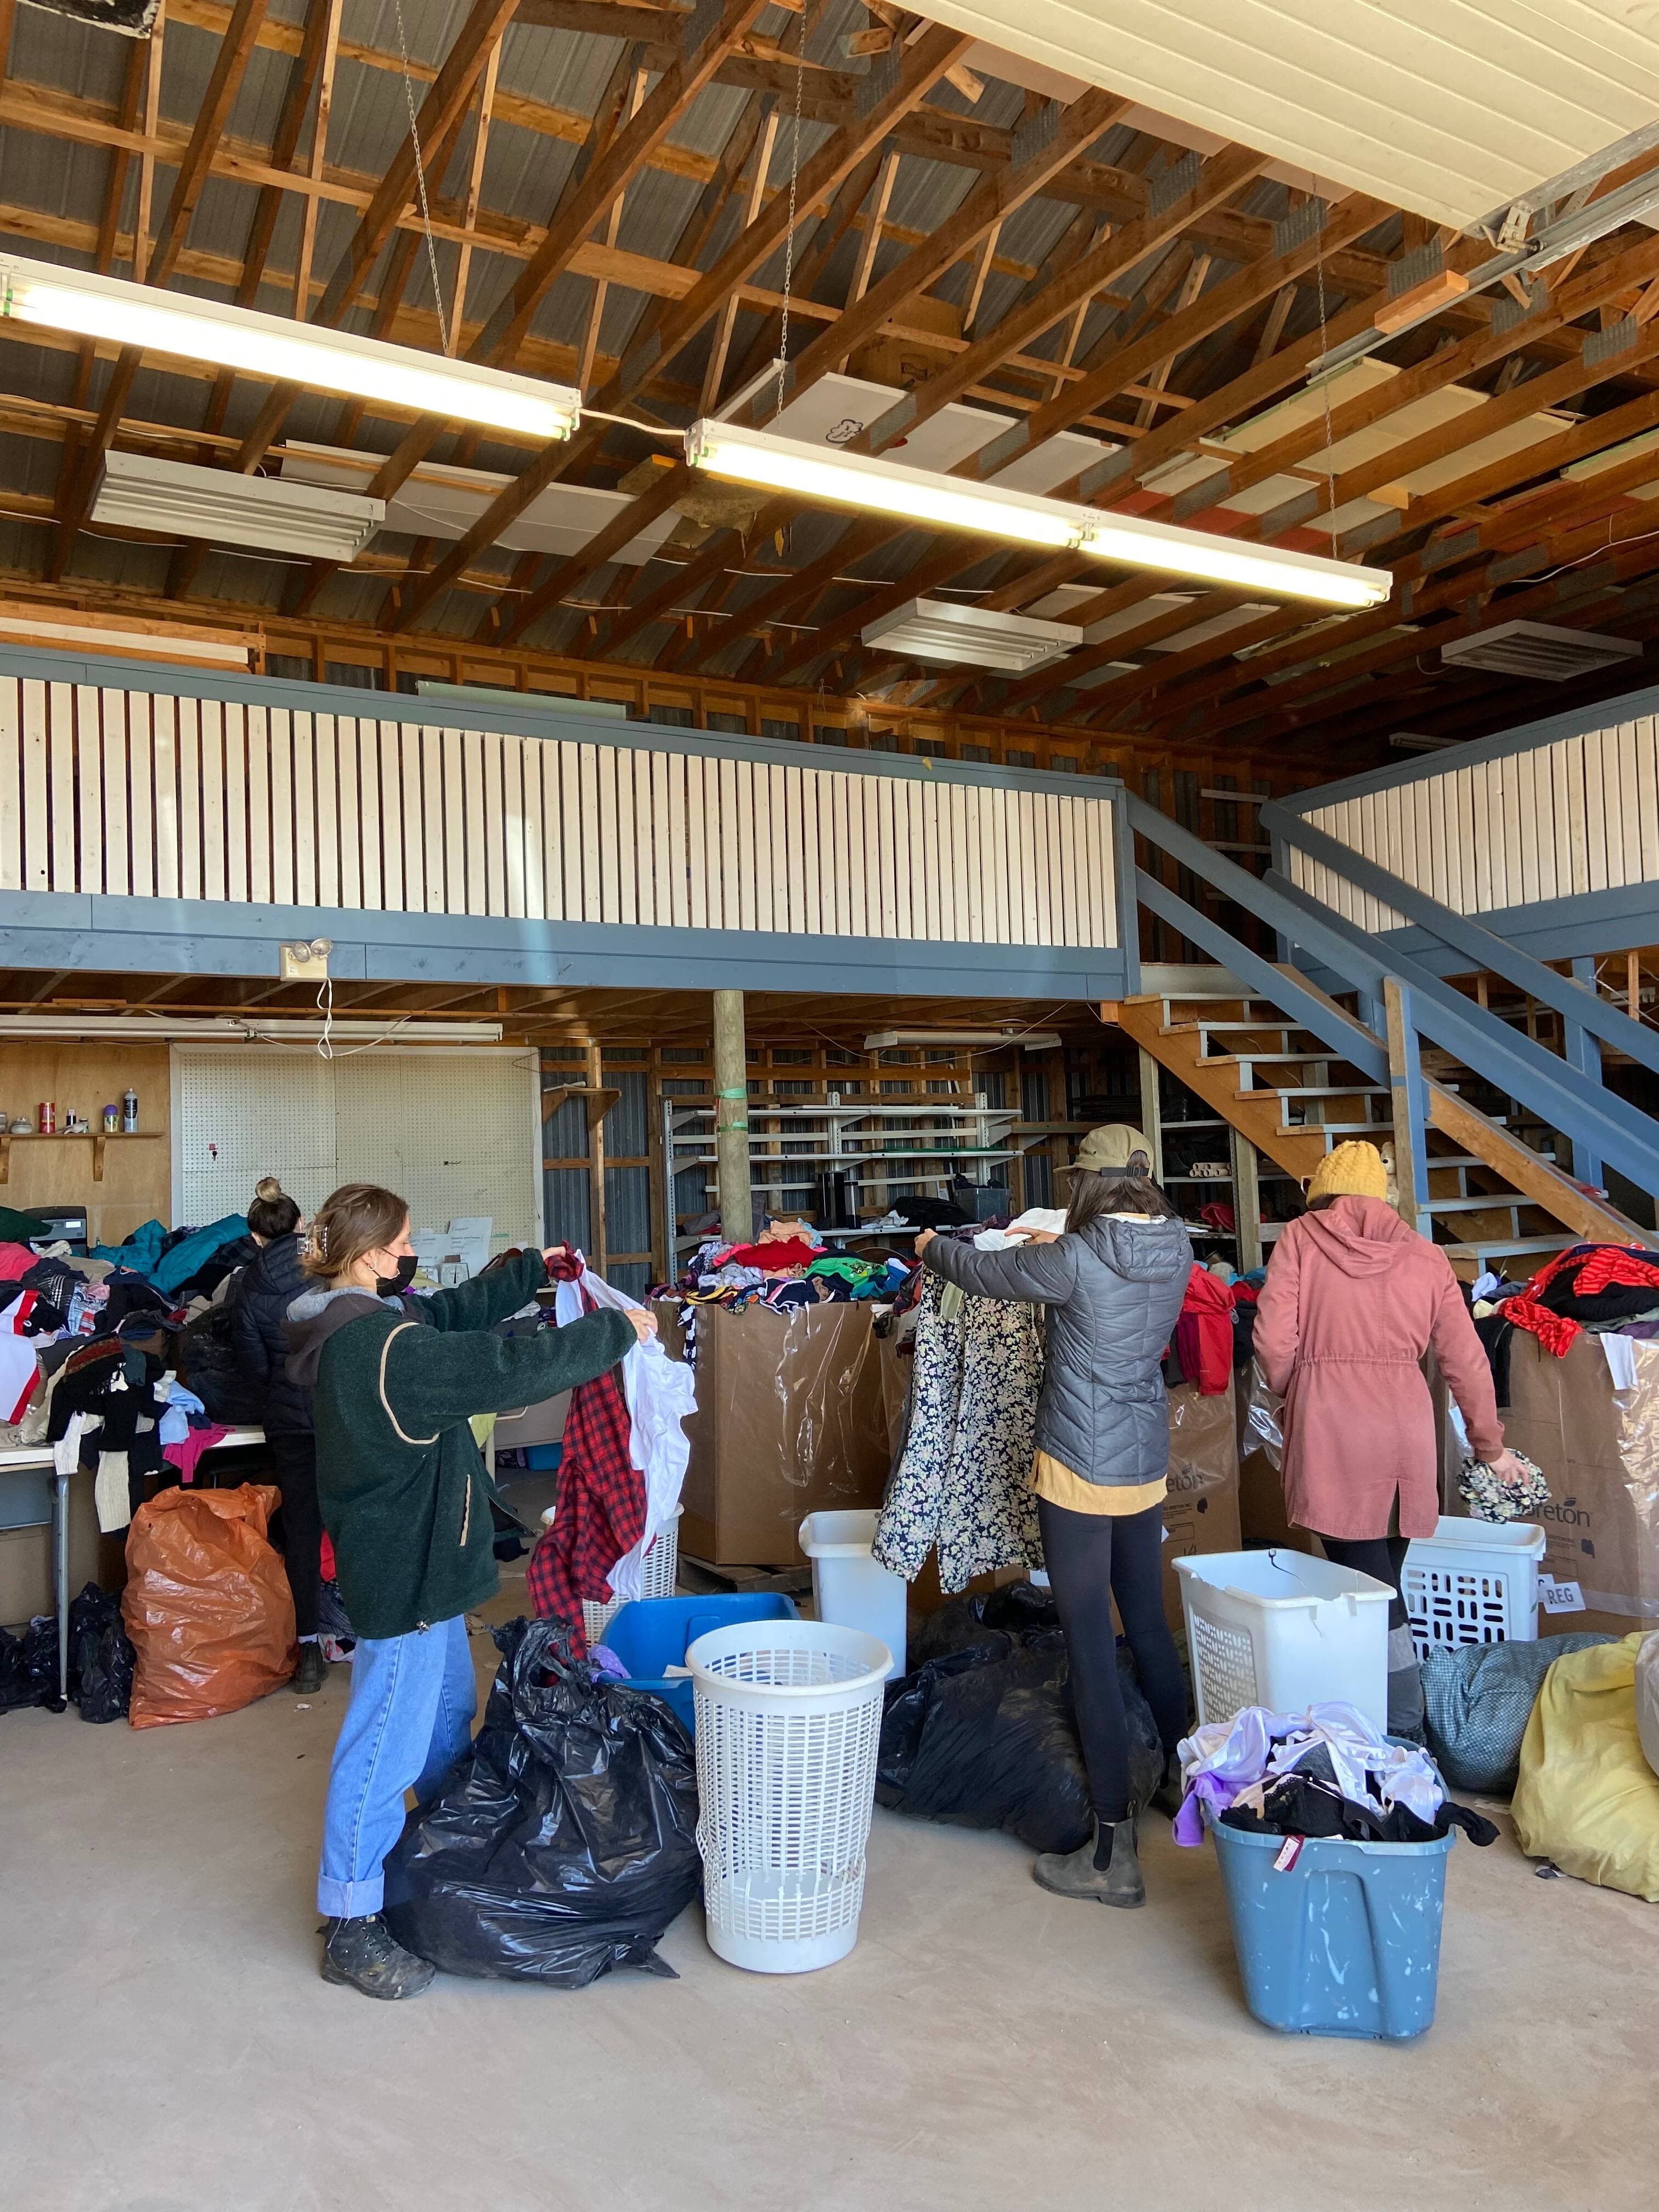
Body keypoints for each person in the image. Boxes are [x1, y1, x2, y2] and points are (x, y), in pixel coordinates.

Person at [284, 1184, 654, 2000]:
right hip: (407, 1574)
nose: (412, 1252)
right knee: (382, 1746)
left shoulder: (357, 1326)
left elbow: (449, 1315)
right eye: (406, 1239)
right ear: (376, 1253)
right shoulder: (385, 1352)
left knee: (449, 1719)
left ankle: (457, 1849)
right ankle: (351, 1921)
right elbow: (501, 1365)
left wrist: (525, 1274)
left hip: (422, 1567)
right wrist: (612, 1331)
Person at [914, 1125, 1193, 1910]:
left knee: (1089, 1650)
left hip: (1077, 1465)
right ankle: (1177, 1780)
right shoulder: (1176, 1247)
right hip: (1142, 1459)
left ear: (1091, 1183)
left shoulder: (1077, 1255)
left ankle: (1111, 1854)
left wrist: (934, 1243)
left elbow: (987, 1271)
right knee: (1145, 1621)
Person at [1254, 1140, 1525, 1736]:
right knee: (1379, 1581)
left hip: (1329, 1426)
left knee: (1370, 1589)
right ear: (1383, 1194)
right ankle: (1377, 1717)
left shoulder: (1300, 1238)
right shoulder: (1426, 1257)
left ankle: (1405, 1726)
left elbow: (1273, 1343)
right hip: (1404, 1431)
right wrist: (1491, 1447)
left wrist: (1291, 1390)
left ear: (1323, 1190)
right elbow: (1466, 1361)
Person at [228, 1178, 329, 1693]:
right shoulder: (330, 1270)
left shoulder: (245, 1288)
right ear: (298, 1223)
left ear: (256, 1236)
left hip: (289, 1420)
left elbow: (255, 1368)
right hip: (344, 1415)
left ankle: (308, 1650)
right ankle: (380, 1637)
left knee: (303, 1532)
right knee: (364, 1520)